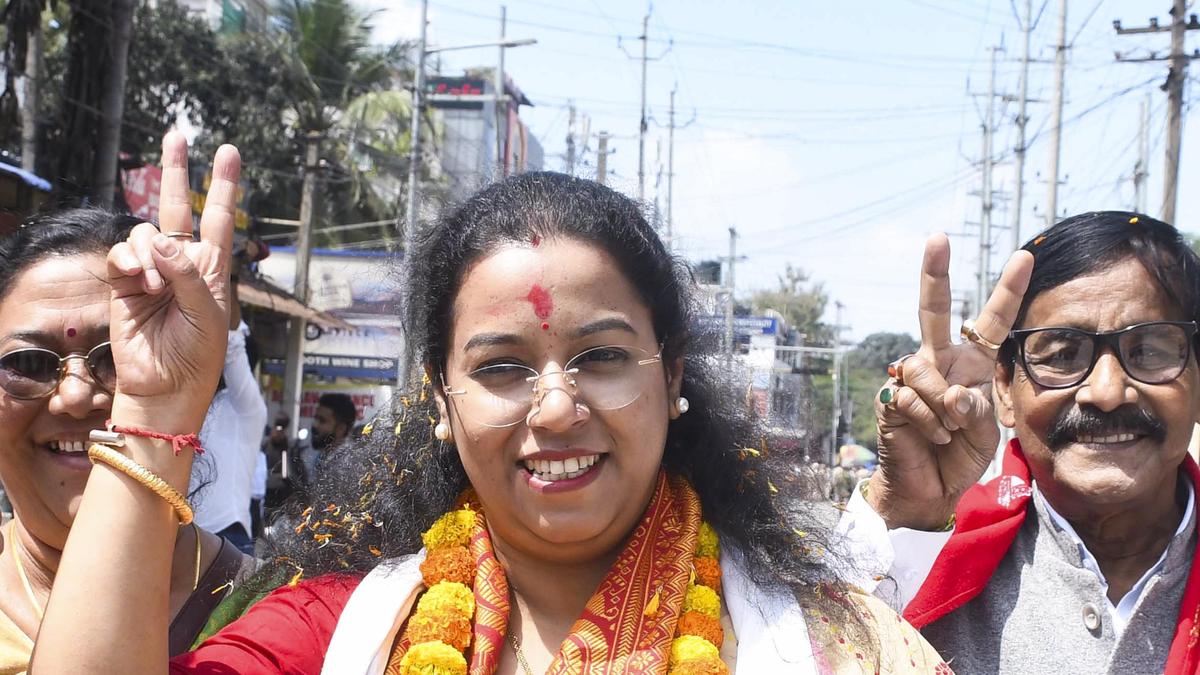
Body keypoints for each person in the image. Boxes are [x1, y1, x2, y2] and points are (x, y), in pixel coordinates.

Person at [33, 134, 950, 673]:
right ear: (441, 398)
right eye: (503, 367)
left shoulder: (832, 647)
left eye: (601, 356)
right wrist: (154, 406)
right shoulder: (343, 635)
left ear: (671, 377)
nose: (555, 408)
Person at [841, 211, 1200, 673]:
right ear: (1006, 389)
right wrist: (900, 511)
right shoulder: (925, 559)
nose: (1107, 392)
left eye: (1149, 351)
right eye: (1063, 355)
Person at [0, 206, 253, 669]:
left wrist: (154, 407)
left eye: (116, 357)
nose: (75, 397)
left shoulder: (284, 617)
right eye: (28, 364)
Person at [193, 286, 268, 556]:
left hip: (227, 539)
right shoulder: (192, 402)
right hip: (185, 537)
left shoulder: (245, 407)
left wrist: (229, 272)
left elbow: (233, 345)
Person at [307, 392, 355, 478]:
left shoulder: (348, 463)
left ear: (341, 429)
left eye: (322, 421)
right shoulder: (324, 454)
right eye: (315, 419)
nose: (315, 425)